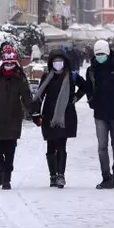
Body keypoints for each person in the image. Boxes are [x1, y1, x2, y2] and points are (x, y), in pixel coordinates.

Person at [0, 45, 34, 190]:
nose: (9, 65)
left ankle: (7, 178)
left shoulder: (20, 78)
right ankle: (0, 169)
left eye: (11, 62)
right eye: (7, 62)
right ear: (3, 62)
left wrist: (34, 113)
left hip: (13, 119)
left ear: (15, 62)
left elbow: (27, 97)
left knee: (10, 149)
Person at [32, 50, 86, 188]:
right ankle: (52, 176)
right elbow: (40, 95)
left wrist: (76, 97)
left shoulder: (72, 76)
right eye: (55, 61)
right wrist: (36, 113)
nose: (58, 64)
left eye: (60, 61)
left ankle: (61, 175)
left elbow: (86, 87)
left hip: (65, 116)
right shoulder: (47, 77)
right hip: (49, 115)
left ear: (65, 62)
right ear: (51, 63)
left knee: (62, 145)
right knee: (51, 145)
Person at [84, 40, 114, 189]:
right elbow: (89, 88)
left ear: (108, 53)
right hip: (100, 113)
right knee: (102, 146)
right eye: (97, 55)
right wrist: (91, 101)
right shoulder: (92, 70)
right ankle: (106, 176)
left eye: (102, 54)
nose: (100, 57)